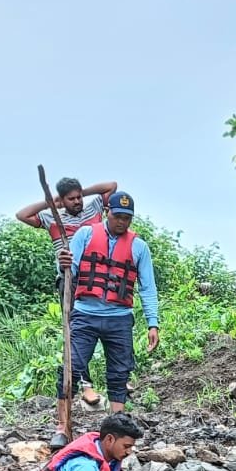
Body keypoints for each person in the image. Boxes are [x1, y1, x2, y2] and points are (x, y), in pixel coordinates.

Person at [51, 191, 159, 447]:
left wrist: (153, 322)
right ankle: (62, 427)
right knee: (71, 367)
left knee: (119, 372)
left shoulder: (139, 247)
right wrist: (63, 262)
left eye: (127, 218)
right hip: (85, 314)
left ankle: (117, 427)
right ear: (107, 212)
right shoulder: (85, 235)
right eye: (118, 216)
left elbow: (148, 287)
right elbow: (70, 268)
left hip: (119, 318)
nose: (122, 222)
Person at [15, 177, 118, 407]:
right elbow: (21, 215)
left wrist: (85, 191)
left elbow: (112, 185)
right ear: (62, 200)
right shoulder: (52, 217)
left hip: (99, 279)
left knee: (111, 325)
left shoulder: (94, 208)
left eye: (79, 196)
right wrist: (51, 203)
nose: (78, 201)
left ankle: (118, 379)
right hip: (70, 279)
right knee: (77, 331)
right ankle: (85, 385)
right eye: (71, 198)